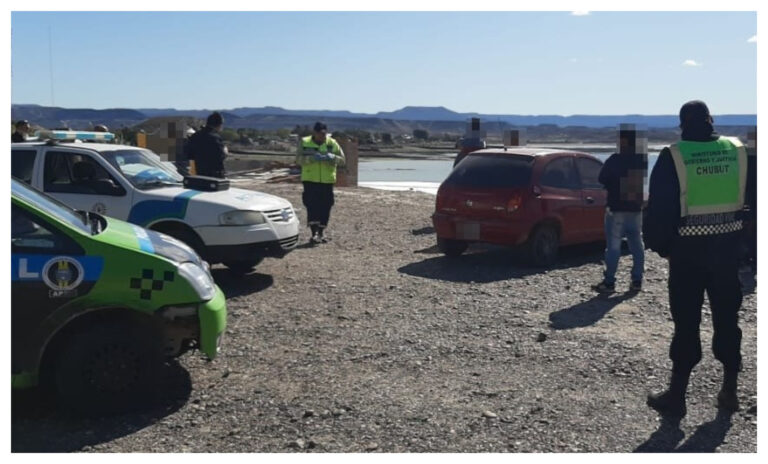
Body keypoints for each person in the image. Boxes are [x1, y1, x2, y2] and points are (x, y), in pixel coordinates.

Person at [643, 100, 750, 418]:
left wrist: (662, 246)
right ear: (711, 120)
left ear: (682, 124)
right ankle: (729, 392)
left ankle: (677, 398)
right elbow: (754, 199)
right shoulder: (737, 151)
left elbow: (660, 210)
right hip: (728, 254)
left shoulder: (674, 156)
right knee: (728, 322)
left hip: (688, 257)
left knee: (687, 324)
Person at [592, 126, 647, 293]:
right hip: (635, 209)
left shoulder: (615, 159)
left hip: (616, 209)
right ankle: (637, 281)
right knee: (637, 245)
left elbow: (601, 178)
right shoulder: (641, 159)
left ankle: (609, 282)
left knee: (613, 247)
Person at [295, 122, 345, 244]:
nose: (322, 137)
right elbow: (298, 160)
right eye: (320, 134)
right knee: (312, 206)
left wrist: (332, 157)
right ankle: (314, 233)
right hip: (310, 180)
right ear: (315, 133)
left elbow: (342, 160)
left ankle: (321, 231)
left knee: (326, 206)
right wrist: (311, 158)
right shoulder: (305, 142)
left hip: (327, 181)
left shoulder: (332, 143)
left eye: (324, 134)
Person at [187, 112, 228, 178]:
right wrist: (225, 150)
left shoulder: (195, 136)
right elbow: (221, 156)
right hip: (215, 176)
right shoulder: (216, 138)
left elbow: (189, 155)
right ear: (219, 125)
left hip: (199, 174)